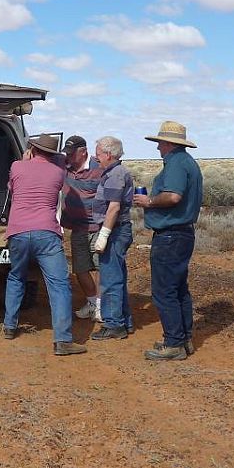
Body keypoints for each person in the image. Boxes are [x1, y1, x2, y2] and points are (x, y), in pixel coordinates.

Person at [3, 134, 87, 356]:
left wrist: (25, 160)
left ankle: (9, 326)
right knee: (59, 284)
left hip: (18, 231)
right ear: (52, 153)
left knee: (16, 276)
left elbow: (12, 188)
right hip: (46, 233)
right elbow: (62, 164)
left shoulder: (17, 167)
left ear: (32, 149)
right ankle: (62, 340)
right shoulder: (58, 172)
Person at [132, 121, 203, 361]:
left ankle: (173, 344)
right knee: (179, 288)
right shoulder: (187, 162)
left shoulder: (175, 163)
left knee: (164, 291)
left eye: (160, 143)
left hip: (171, 236)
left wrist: (149, 202)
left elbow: (173, 197)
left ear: (169, 143)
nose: (158, 147)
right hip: (182, 234)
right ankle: (183, 339)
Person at [89, 136, 135, 341]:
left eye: (98, 153)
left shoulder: (115, 174)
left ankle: (114, 324)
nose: (96, 157)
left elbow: (114, 207)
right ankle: (124, 321)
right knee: (117, 276)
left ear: (108, 154)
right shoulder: (115, 172)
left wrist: (104, 235)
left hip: (115, 231)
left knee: (110, 279)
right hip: (117, 230)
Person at [60, 135, 104, 322]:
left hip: (97, 227)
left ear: (83, 151)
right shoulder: (65, 166)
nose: (68, 157)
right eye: (67, 153)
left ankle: (100, 306)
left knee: (100, 267)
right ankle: (92, 302)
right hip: (77, 227)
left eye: (72, 153)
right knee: (80, 268)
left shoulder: (99, 168)